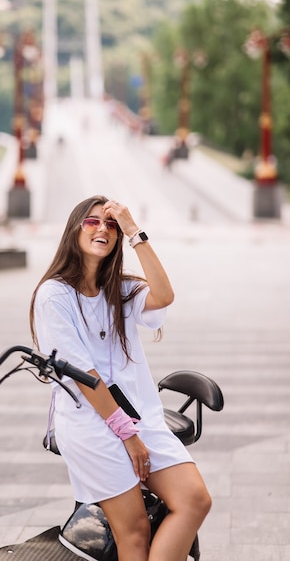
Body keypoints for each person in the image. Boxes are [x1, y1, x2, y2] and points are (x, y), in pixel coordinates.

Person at [29, 195, 211, 561]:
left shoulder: (121, 290)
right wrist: (127, 435)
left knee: (194, 500)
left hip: (139, 416)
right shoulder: (54, 296)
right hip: (91, 423)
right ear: (74, 231)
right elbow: (84, 375)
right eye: (92, 222)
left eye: (110, 225)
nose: (102, 229)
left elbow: (164, 294)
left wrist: (134, 231)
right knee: (134, 532)